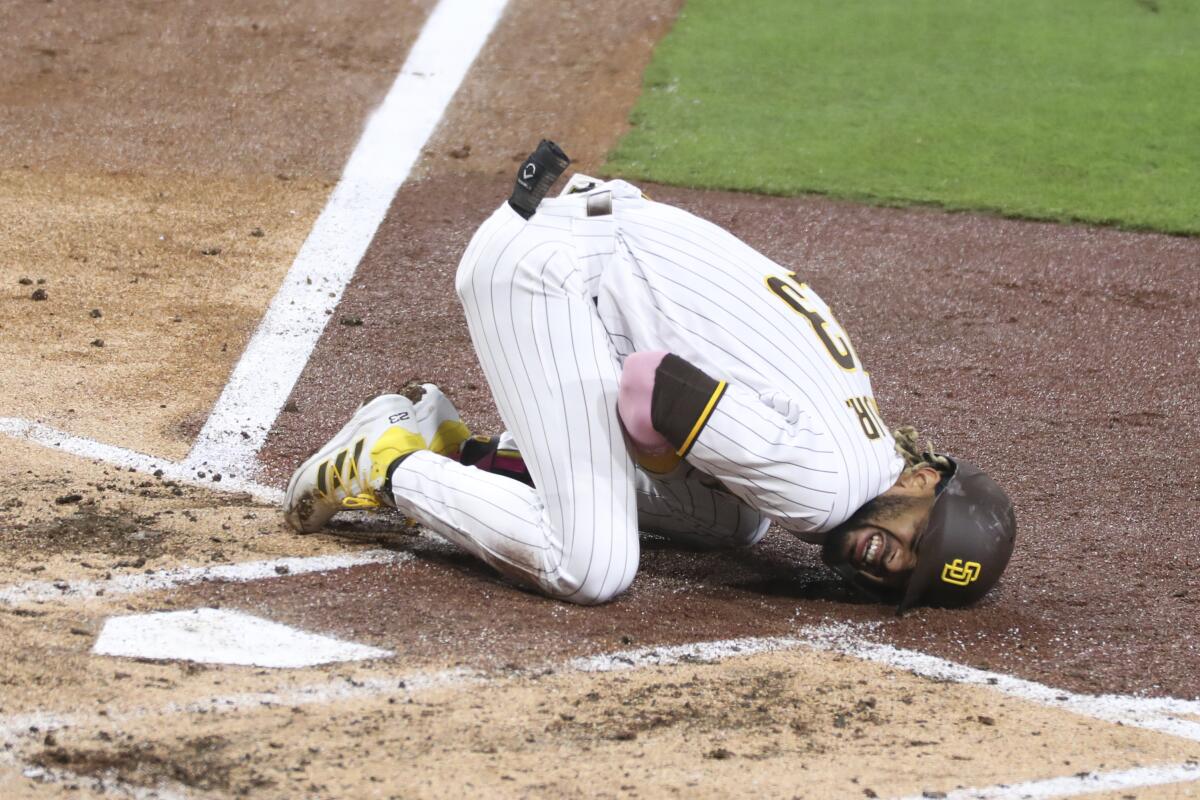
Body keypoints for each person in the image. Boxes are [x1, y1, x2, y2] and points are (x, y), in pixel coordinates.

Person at [283, 142, 1016, 612]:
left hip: (586, 240)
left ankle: (468, 454)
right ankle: (390, 461)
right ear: (925, 481)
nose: (892, 562)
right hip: (547, 275)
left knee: (737, 518)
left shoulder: (865, 439)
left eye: (908, 577)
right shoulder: (828, 490)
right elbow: (651, 383)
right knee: (590, 566)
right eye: (921, 539)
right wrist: (657, 457)